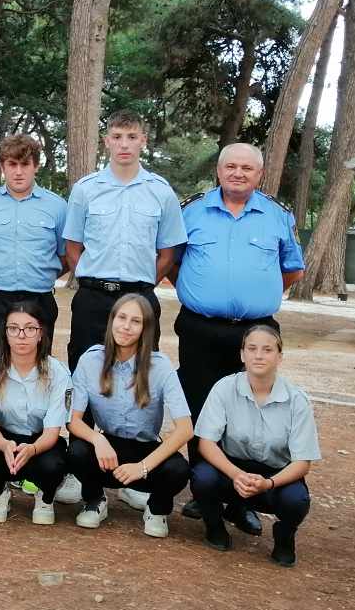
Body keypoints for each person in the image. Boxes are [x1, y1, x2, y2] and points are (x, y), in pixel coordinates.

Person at [169, 142, 304, 527]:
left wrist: (255, 295)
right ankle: (204, 491)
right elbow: (172, 263)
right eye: (231, 166)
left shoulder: (277, 216)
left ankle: (242, 500)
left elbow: (292, 270)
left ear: (260, 174)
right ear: (219, 170)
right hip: (200, 327)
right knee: (199, 405)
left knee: (250, 410)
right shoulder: (191, 211)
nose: (238, 173)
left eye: (247, 168)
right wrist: (200, 293)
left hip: (255, 331)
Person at [61, 110, 186, 367]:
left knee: (141, 374)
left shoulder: (162, 192)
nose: (124, 144)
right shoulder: (85, 189)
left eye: (132, 136)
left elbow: (167, 255)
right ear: (107, 141)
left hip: (140, 298)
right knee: (85, 370)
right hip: (93, 300)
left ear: (143, 140)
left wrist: (142, 284)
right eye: (117, 137)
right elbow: (72, 248)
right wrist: (90, 280)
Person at [188, 324, 319, 567]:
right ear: (242, 354)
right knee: (202, 477)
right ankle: (214, 527)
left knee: (296, 500)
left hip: (274, 475)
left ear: (279, 357)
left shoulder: (297, 400)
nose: (259, 355)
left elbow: (303, 462)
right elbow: (206, 443)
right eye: (252, 348)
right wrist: (236, 474)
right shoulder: (224, 388)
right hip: (232, 469)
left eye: (267, 350)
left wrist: (268, 483)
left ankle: (284, 538)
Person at [66, 293, 193, 536]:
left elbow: (185, 429)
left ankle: (156, 509)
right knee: (76, 452)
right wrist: (98, 439)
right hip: (108, 451)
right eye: (121, 318)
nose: (126, 326)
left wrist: (142, 468)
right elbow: (73, 420)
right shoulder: (90, 360)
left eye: (136, 321)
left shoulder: (160, 366)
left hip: (145, 450)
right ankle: (95, 500)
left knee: (178, 469)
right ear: (111, 320)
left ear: (146, 328)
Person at [0, 134, 68, 368]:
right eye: (12, 164)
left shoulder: (58, 207)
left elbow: (66, 255)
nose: (18, 172)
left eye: (25, 164)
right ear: (2, 167)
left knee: (36, 367)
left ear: (36, 166)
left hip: (38, 299)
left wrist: (42, 275)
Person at [0, 303, 71, 525]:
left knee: (55, 464)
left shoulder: (58, 372)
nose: (21, 335)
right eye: (13, 328)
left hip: (40, 441)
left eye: (30, 328)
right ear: (5, 333)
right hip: (4, 439)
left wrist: (32, 449)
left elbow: (52, 431)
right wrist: (5, 445)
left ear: (40, 334)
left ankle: (45, 497)